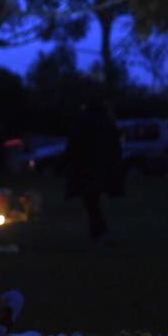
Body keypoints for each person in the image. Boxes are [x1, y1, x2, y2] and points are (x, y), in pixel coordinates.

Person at [64, 97, 123, 243]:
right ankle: (97, 232)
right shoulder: (106, 122)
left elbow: (74, 144)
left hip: (86, 169)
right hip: (101, 169)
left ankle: (99, 232)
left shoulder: (83, 121)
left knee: (91, 202)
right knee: (92, 202)